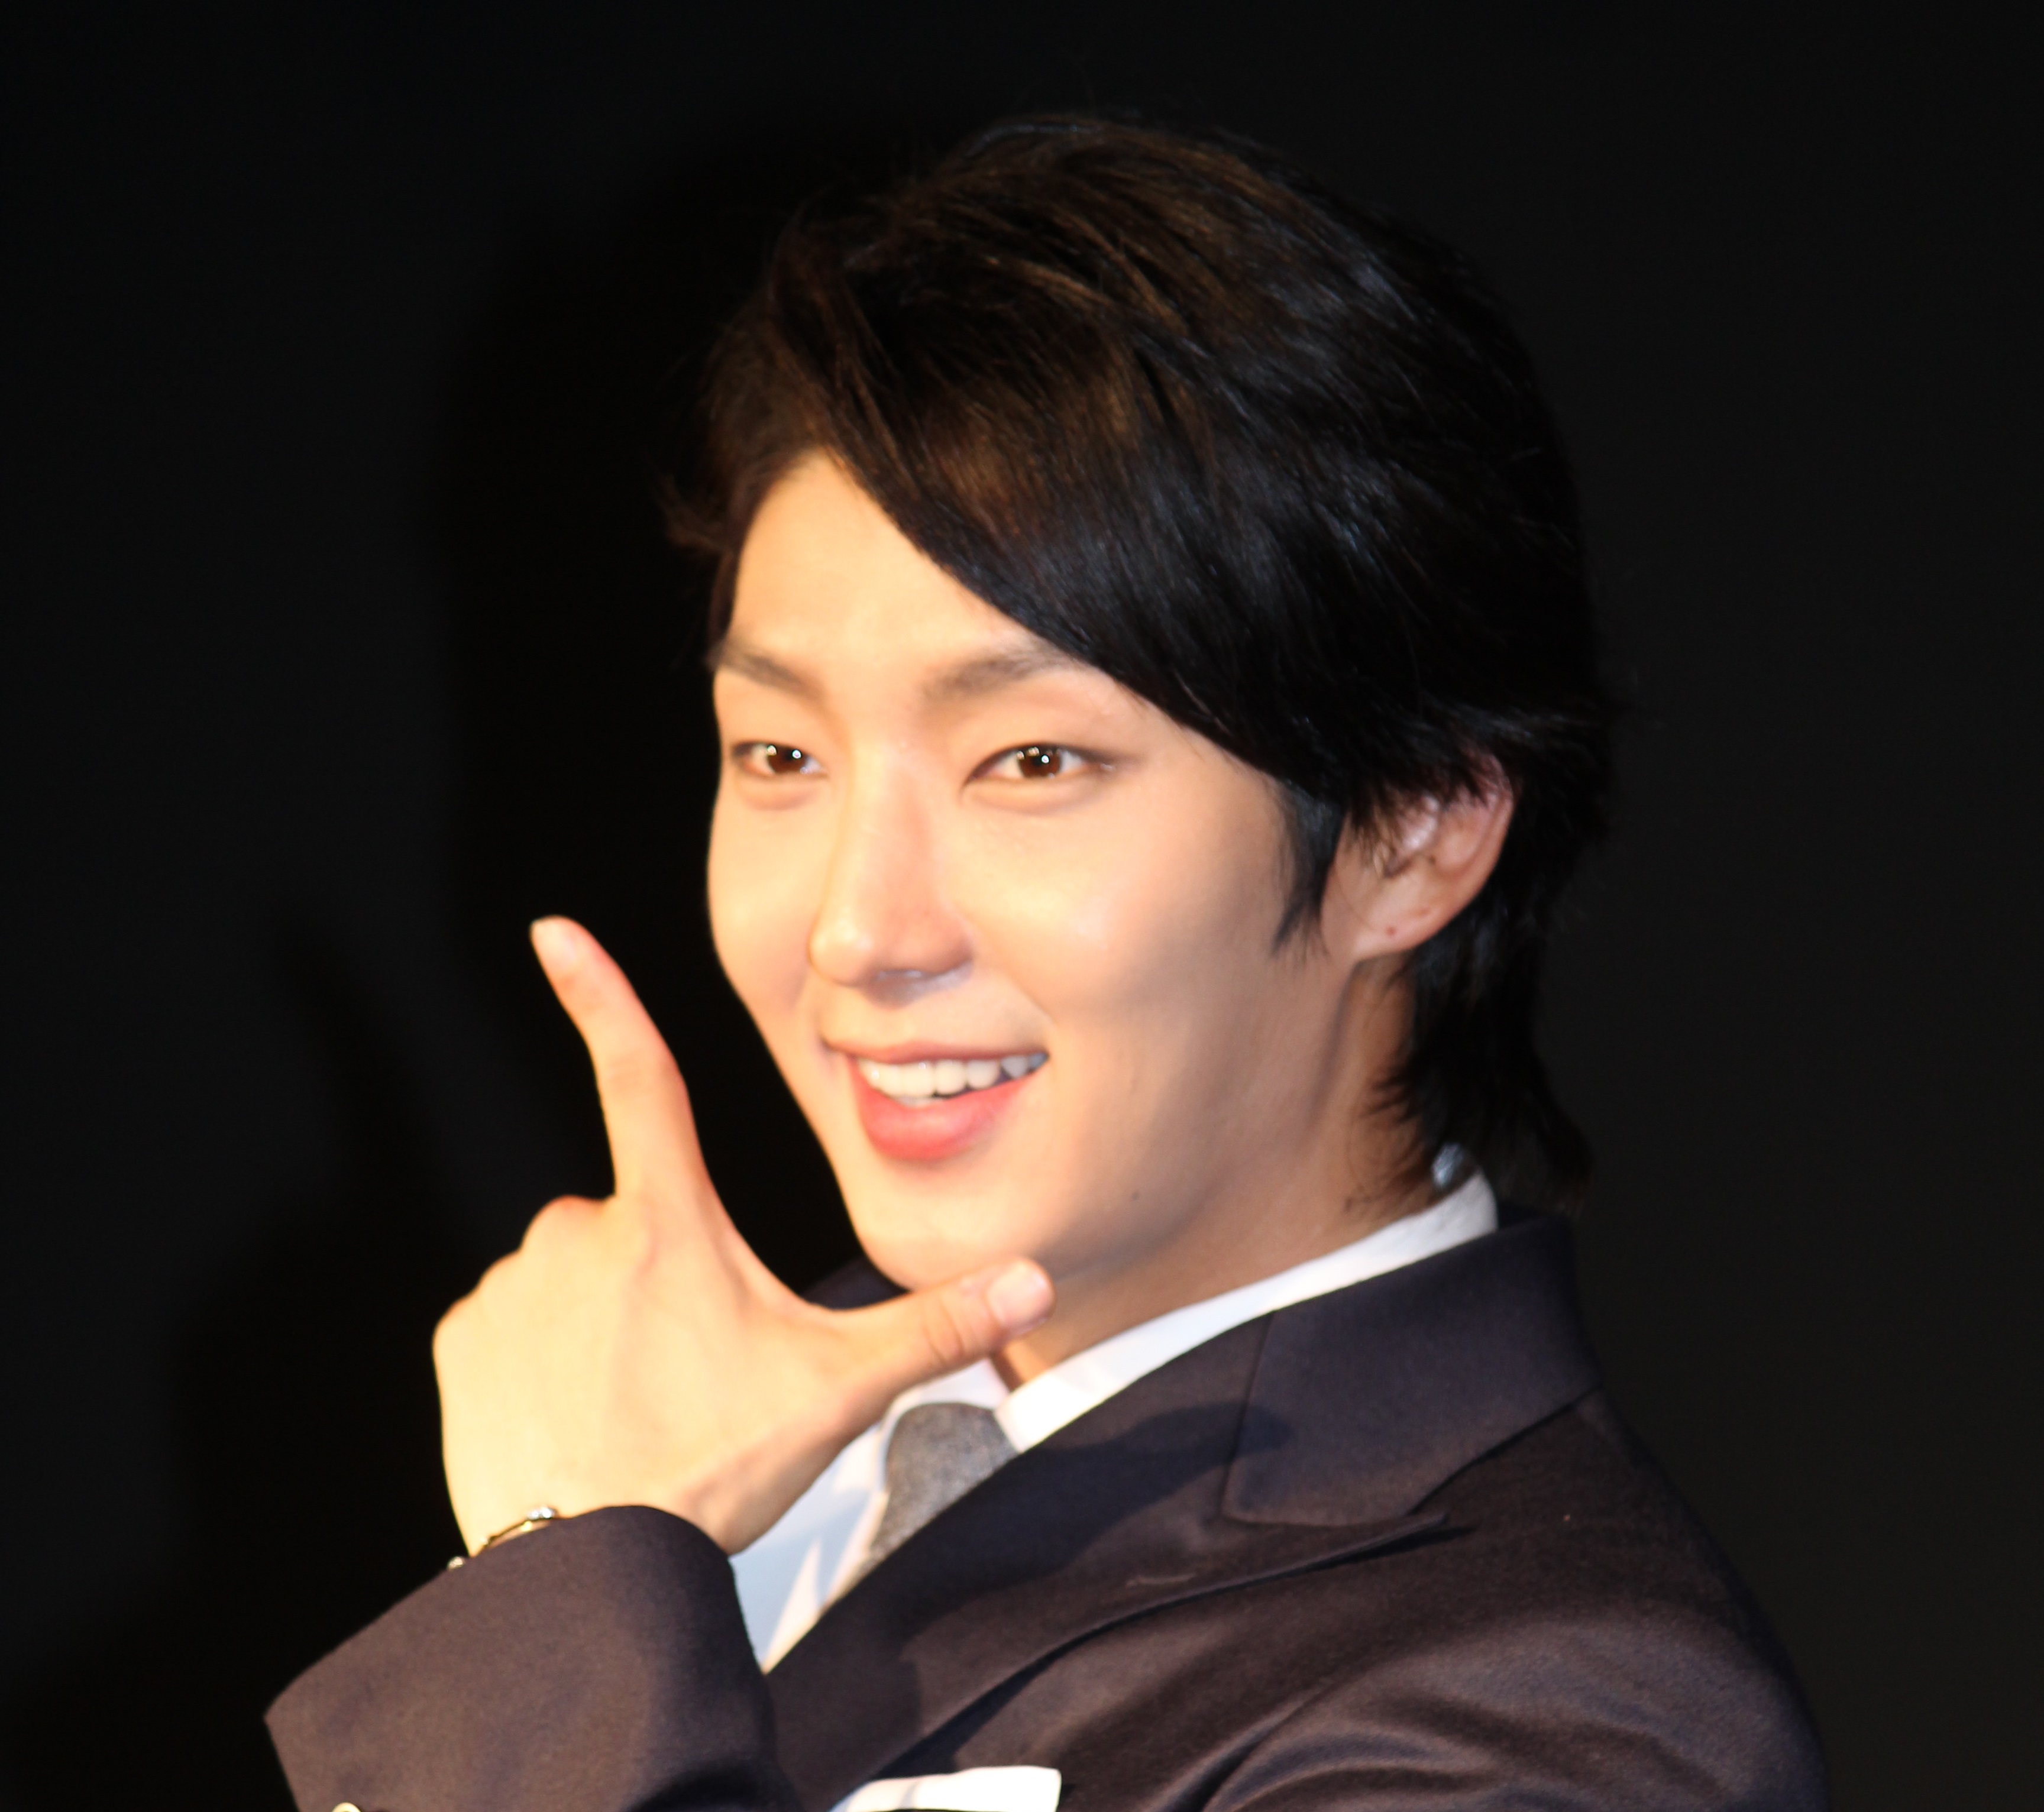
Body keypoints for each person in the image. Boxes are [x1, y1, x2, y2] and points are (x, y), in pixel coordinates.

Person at [267, 118, 1827, 1811]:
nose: (860, 931)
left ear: (1414, 831)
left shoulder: (1563, 1718)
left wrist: (557, 1586)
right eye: (781, 755)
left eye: (1031, 762)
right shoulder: (683, 1426)